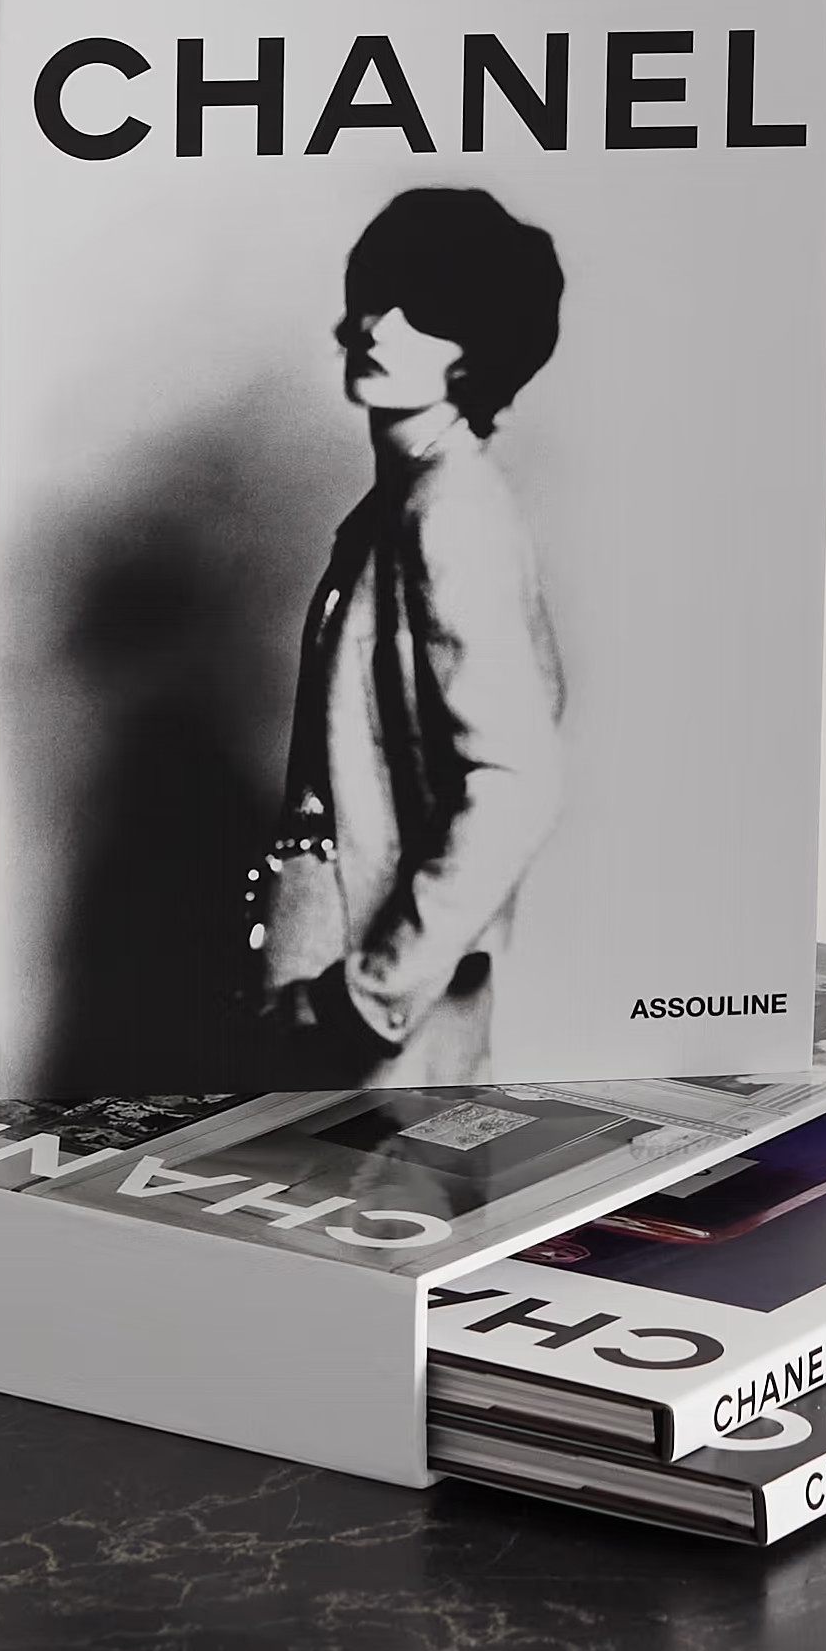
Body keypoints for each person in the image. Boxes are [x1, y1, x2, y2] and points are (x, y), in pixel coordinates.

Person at [251, 186, 566, 1084]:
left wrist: (369, 995)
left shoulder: (451, 511)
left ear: (478, 350)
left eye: (427, 312)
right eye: (379, 294)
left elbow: (515, 782)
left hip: (379, 1030)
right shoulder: (400, 504)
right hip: (330, 992)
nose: (380, 327)